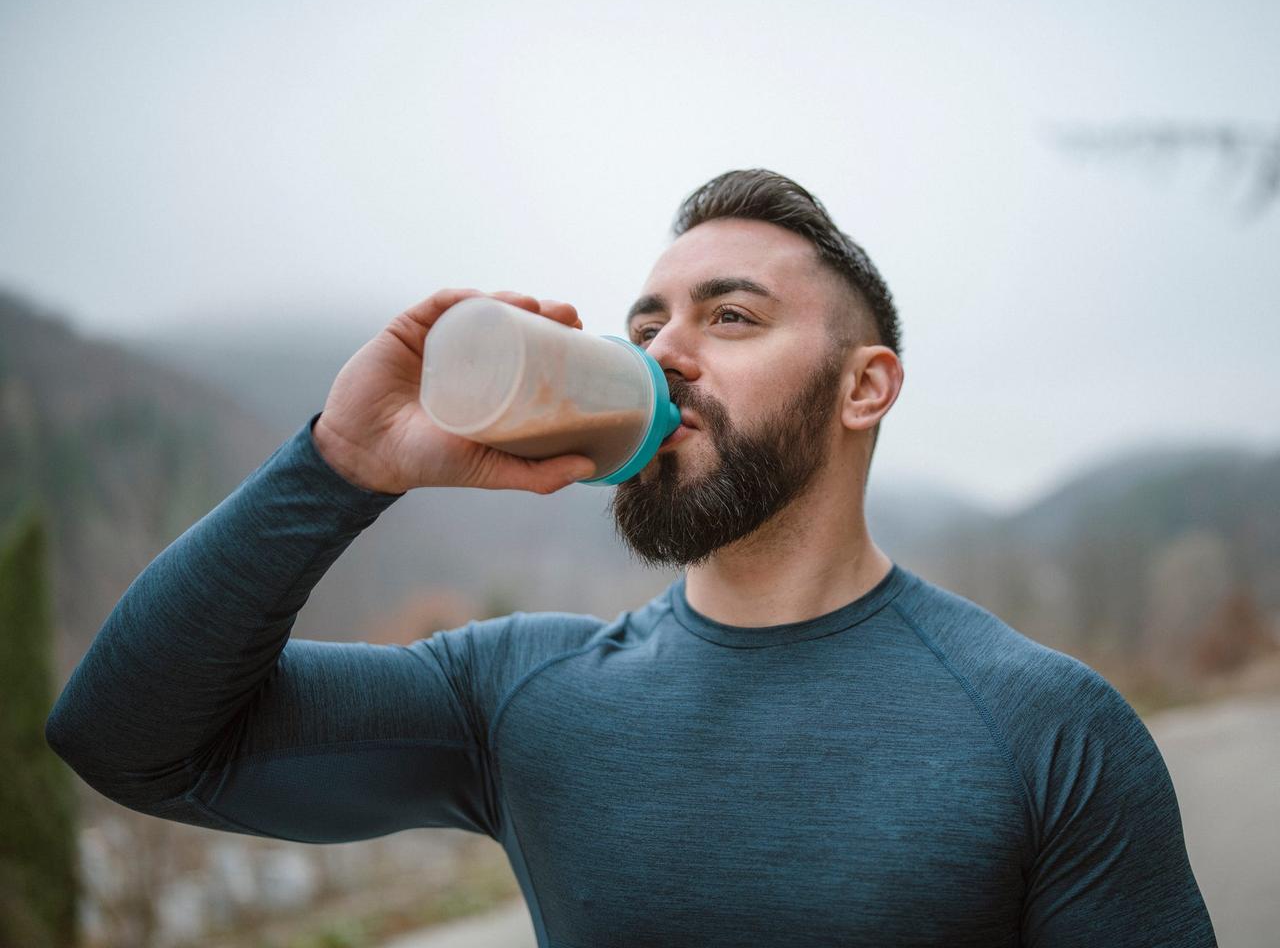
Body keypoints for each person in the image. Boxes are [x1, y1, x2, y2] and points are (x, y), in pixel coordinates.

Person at [46, 169, 1217, 947]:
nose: (661, 355)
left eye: (731, 317)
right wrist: (339, 464)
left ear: (864, 387)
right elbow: (128, 740)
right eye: (646, 324)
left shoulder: (1044, 727)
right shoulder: (514, 695)